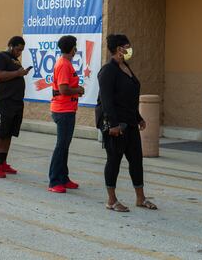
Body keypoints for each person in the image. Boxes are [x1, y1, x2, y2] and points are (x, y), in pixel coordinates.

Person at [97, 34, 157, 212]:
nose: (130, 49)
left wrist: (138, 117)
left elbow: (128, 97)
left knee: (136, 160)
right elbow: (106, 100)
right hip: (116, 125)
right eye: (127, 46)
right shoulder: (108, 70)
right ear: (118, 49)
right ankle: (111, 200)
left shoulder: (126, 67)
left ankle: (141, 198)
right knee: (114, 160)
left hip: (130, 122)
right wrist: (113, 124)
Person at [0, 36, 31, 178]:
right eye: (18, 49)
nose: (19, 53)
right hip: (3, 101)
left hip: (16, 102)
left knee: (8, 133)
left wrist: (21, 73)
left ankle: (2, 162)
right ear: (10, 46)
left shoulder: (15, 60)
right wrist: (18, 73)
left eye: (21, 50)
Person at [48, 35, 84, 193]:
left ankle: (64, 177)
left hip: (67, 109)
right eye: (75, 46)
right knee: (61, 146)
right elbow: (63, 89)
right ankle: (54, 181)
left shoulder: (66, 63)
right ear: (72, 49)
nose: (76, 49)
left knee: (65, 146)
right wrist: (79, 90)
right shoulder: (63, 64)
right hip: (63, 110)